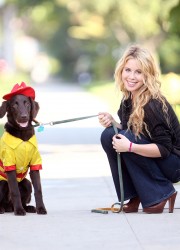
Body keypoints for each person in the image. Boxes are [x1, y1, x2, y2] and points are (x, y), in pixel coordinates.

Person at [98, 45, 180, 214]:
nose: (131, 76)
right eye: (128, 70)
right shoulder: (129, 98)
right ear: (121, 70)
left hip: (173, 163)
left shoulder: (153, 104)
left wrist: (130, 147)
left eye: (139, 72)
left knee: (125, 138)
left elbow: (164, 149)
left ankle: (162, 192)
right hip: (157, 156)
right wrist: (113, 122)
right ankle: (134, 195)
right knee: (109, 135)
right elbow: (130, 130)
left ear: (147, 75)